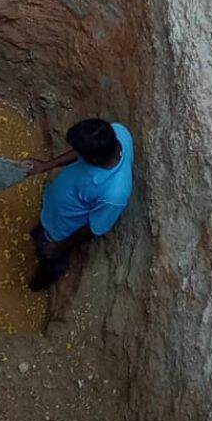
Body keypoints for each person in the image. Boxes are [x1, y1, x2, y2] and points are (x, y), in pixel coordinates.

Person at [21, 118, 135, 291]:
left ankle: (35, 287)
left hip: (61, 231)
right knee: (38, 235)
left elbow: (93, 228)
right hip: (52, 210)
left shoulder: (114, 194)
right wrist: (46, 166)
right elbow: (80, 152)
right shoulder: (117, 132)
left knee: (49, 261)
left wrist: (59, 247)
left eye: (81, 153)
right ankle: (37, 239)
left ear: (94, 160)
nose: (77, 154)